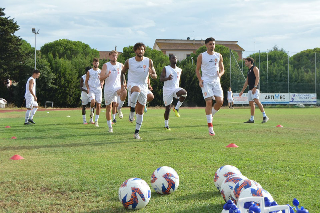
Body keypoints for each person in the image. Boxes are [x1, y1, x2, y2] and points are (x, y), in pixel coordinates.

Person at [121, 42, 157, 139]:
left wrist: (152, 74)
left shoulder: (149, 61)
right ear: (135, 50)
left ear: (144, 51)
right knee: (136, 90)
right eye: (138, 49)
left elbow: (155, 76)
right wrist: (122, 85)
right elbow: (123, 72)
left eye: (142, 49)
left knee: (140, 112)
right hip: (132, 84)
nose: (140, 51)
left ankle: (136, 133)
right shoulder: (129, 61)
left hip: (144, 86)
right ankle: (132, 111)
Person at [196, 37, 225, 136]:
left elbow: (222, 69)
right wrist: (200, 80)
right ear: (206, 45)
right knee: (209, 101)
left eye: (213, 44)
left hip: (216, 82)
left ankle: (210, 115)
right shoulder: (202, 56)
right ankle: (210, 127)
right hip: (206, 82)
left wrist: (220, 74)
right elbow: (197, 69)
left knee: (220, 101)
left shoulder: (218, 55)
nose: (212, 46)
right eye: (210, 44)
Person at [100, 50, 127, 132]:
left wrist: (124, 83)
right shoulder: (106, 65)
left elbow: (123, 75)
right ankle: (110, 127)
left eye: (115, 56)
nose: (114, 57)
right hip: (108, 88)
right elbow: (101, 77)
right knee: (109, 107)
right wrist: (107, 75)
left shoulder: (120, 65)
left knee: (124, 92)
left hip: (117, 87)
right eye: (112, 56)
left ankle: (119, 108)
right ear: (109, 56)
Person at [160, 54, 187, 130]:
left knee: (184, 93)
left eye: (176, 58)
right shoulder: (166, 68)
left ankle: (176, 108)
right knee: (168, 108)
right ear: (170, 60)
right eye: (173, 58)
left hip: (175, 88)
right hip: (167, 90)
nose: (174, 59)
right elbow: (161, 79)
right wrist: (167, 78)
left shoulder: (179, 69)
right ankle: (166, 125)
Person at [239, 57, 269, 123]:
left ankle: (265, 116)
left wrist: (255, 87)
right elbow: (247, 81)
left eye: (246, 61)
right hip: (250, 89)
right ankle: (252, 119)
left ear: (250, 62)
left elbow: (257, 77)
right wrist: (242, 91)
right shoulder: (248, 71)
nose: (245, 63)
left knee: (256, 100)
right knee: (251, 103)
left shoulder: (255, 68)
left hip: (255, 88)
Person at [85, 58, 103, 127]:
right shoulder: (89, 72)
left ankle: (96, 121)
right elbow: (86, 81)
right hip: (92, 89)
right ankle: (91, 111)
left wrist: (102, 83)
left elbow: (102, 80)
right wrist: (88, 88)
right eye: (95, 63)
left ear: (98, 63)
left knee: (98, 105)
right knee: (93, 102)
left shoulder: (100, 71)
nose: (96, 64)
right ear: (93, 63)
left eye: (97, 63)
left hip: (98, 89)